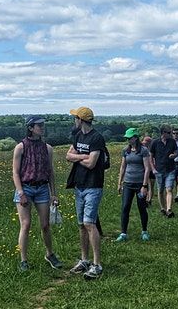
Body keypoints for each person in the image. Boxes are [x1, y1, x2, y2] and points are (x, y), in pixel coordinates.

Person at [12, 116, 64, 272]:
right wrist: (21, 192)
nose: (42, 127)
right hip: (25, 188)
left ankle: (49, 254)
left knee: (45, 225)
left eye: (43, 125)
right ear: (30, 128)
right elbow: (15, 172)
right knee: (26, 224)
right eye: (39, 125)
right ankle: (23, 261)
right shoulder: (20, 147)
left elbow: (50, 172)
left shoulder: (47, 148)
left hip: (42, 188)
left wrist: (54, 193)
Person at [65, 107, 106, 280]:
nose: (74, 120)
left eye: (75, 118)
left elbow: (92, 163)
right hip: (79, 185)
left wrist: (79, 157)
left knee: (89, 223)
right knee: (81, 224)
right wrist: (83, 156)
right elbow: (68, 155)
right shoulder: (78, 136)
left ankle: (97, 265)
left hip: (93, 186)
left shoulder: (96, 138)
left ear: (81, 120)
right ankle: (84, 260)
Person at [116, 128, 151, 242]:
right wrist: (119, 182)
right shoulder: (126, 150)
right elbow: (123, 166)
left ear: (135, 138)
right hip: (128, 183)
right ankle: (123, 233)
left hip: (140, 183)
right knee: (125, 207)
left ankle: (144, 231)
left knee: (142, 208)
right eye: (127, 138)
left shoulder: (143, 151)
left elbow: (147, 168)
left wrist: (144, 186)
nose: (128, 140)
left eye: (129, 138)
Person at [149, 125, 178, 218]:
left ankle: (169, 209)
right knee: (160, 190)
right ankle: (162, 208)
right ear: (163, 133)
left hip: (170, 169)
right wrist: (153, 169)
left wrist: (174, 155)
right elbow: (150, 156)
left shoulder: (172, 142)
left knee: (169, 189)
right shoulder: (155, 143)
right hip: (159, 170)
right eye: (169, 133)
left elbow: (176, 153)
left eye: (170, 132)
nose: (170, 134)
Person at [142, 135, 154, 205]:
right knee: (146, 184)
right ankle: (147, 199)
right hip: (145, 169)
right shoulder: (142, 150)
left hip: (151, 169)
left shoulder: (152, 150)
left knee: (151, 185)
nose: (144, 143)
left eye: (146, 142)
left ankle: (149, 199)